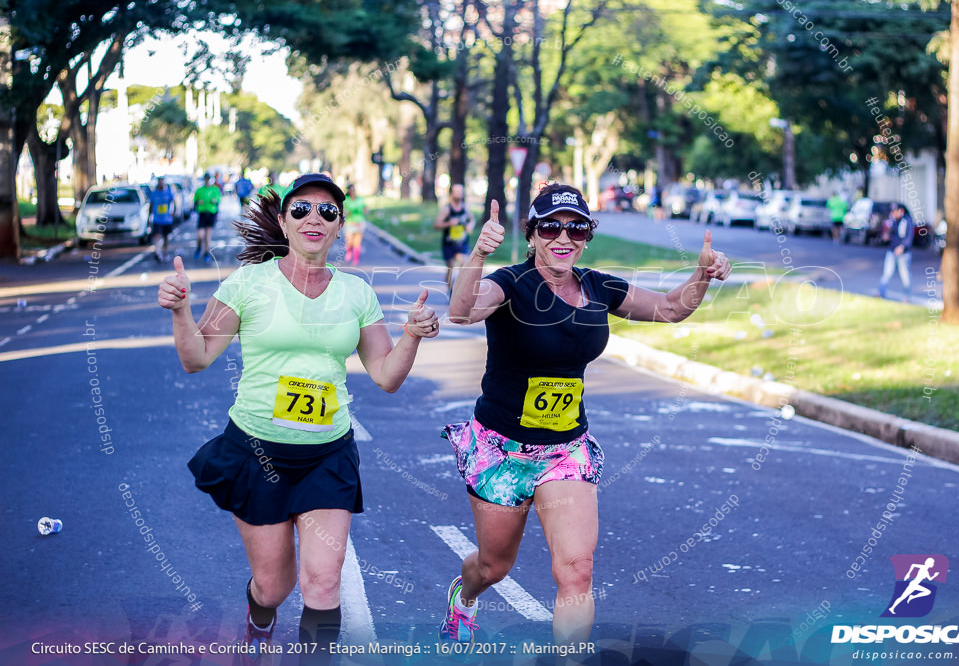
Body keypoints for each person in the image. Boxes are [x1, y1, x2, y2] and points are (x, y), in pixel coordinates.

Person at [157, 173, 440, 659]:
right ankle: (259, 620)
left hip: (326, 456)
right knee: (274, 585)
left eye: (328, 212)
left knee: (323, 583)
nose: (315, 218)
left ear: (340, 228)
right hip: (257, 452)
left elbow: (387, 375)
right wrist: (181, 312)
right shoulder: (248, 283)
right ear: (285, 222)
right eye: (303, 209)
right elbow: (196, 357)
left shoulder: (356, 293)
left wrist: (411, 334)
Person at [439, 183, 731, 645]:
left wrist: (702, 275)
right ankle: (466, 594)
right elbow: (462, 312)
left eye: (576, 228)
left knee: (577, 570)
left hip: (565, 450)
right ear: (532, 234)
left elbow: (672, 308)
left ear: (587, 235)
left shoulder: (598, 286)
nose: (564, 237)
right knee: (493, 566)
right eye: (551, 226)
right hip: (502, 450)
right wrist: (477, 253)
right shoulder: (511, 282)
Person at [434, 184, 475, 290]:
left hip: (462, 242)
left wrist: (470, 226)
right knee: (450, 268)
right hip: (449, 243)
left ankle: (458, 292)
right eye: (457, 192)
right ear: (451, 194)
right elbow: (437, 225)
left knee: (463, 265)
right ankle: (450, 291)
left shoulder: (465, 207)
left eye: (461, 191)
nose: (459, 194)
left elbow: (472, 220)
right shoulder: (447, 209)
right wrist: (449, 223)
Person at [879, 202, 914, 301]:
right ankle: (881, 292)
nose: (893, 213)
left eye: (895, 211)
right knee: (886, 273)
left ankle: (906, 296)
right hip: (891, 250)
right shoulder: (892, 221)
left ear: (901, 211)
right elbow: (890, 235)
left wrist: (902, 246)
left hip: (904, 253)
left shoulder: (907, 221)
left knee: (905, 275)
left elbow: (909, 237)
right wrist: (886, 236)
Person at [193, 174, 222, 262]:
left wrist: (215, 201)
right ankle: (198, 248)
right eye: (206, 179)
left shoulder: (215, 189)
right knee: (200, 235)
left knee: (207, 236)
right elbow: (195, 202)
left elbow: (218, 201)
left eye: (208, 179)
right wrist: (198, 202)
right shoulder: (199, 190)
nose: (207, 181)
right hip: (202, 214)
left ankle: (206, 252)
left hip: (211, 214)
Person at [149, 177, 175, 262]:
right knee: (156, 236)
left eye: (162, 181)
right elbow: (151, 205)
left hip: (167, 220)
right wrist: (150, 216)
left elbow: (173, 202)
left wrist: (173, 212)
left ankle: (165, 252)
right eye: (159, 181)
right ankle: (158, 252)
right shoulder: (154, 193)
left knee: (166, 237)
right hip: (157, 220)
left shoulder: (168, 192)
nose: (160, 183)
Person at [343, 184, 367, 265]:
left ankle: (356, 259)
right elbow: (343, 211)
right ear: (349, 191)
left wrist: (366, 211)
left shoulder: (360, 200)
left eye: (354, 190)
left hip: (359, 222)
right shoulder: (346, 200)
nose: (353, 192)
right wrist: (346, 213)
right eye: (351, 190)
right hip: (350, 222)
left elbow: (365, 208)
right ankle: (349, 251)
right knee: (349, 241)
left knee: (357, 242)